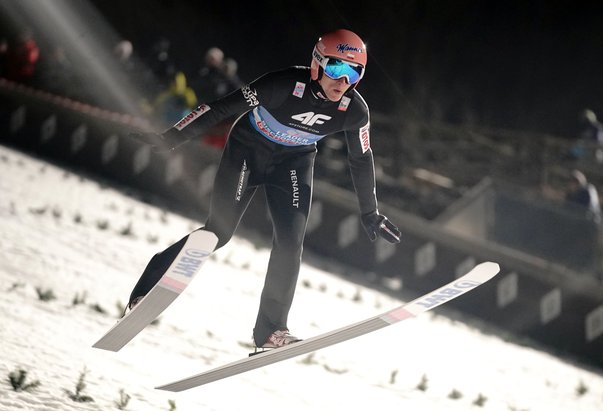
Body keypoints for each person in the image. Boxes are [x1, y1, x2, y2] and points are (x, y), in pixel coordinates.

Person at [127, 29, 401, 350]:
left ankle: (270, 330)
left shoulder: (355, 110)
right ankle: (147, 288)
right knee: (219, 233)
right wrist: (171, 138)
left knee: (290, 243)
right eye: (336, 69)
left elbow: (361, 158)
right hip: (249, 149)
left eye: (354, 73)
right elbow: (220, 108)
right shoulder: (281, 84)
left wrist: (370, 213)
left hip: (294, 164)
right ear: (316, 64)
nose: (343, 82)